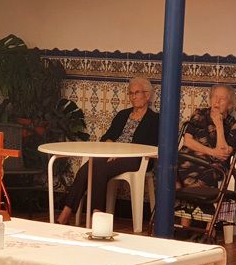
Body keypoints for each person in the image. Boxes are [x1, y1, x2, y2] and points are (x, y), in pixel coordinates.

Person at [56, 76, 159, 225]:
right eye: (130, 93)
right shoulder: (122, 115)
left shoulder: (155, 119)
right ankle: (67, 212)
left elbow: (149, 145)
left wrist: (121, 154)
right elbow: (107, 136)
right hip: (112, 155)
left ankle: (95, 215)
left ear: (147, 95)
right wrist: (111, 147)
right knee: (90, 165)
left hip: (136, 159)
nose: (133, 96)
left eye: (137, 92)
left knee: (99, 168)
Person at [177, 84, 236, 189]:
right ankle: (176, 198)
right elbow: (187, 141)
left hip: (212, 164)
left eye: (222, 98)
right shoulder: (199, 114)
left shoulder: (233, 124)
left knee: (207, 176)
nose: (217, 101)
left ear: (229, 104)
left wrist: (219, 125)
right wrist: (212, 152)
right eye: (215, 97)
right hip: (189, 157)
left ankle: (185, 197)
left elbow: (224, 153)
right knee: (166, 167)